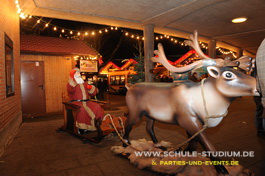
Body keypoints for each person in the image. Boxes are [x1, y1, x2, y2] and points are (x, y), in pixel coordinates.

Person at [67, 66, 104, 134]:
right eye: (76, 73)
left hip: (87, 101)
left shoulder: (84, 83)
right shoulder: (71, 83)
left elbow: (92, 93)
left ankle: (97, 124)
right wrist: (72, 78)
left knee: (97, 106)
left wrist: (90, 87)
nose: (78, 74)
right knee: (82, 110)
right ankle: (82, 128)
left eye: (79, 73)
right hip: (76, 102)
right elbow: (70, 89)